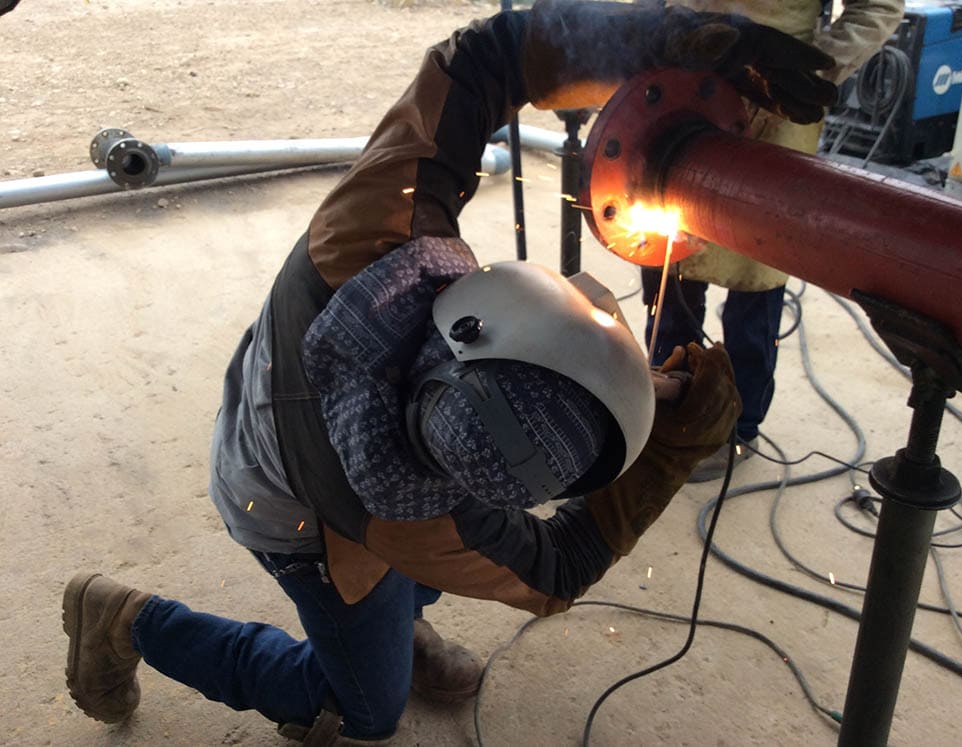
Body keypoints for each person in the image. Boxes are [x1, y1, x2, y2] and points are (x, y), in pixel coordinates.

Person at [61, 1, 837, 743]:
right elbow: (558, 567)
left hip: (291, 395)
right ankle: (129, 618)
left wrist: (666, 41)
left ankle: (396, 615)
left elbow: (482, 62)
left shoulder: (371, 230)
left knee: (421, 534)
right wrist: (668, 453)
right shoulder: (419, 524)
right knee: (364, 709)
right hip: (284, 508)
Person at [640, 0, 905, 482]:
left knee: (754, 279)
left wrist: (807, 68)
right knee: (664, 262)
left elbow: (879, 6)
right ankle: (664, 406)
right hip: (676, 89)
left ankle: (735, 427)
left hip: (771, 106)